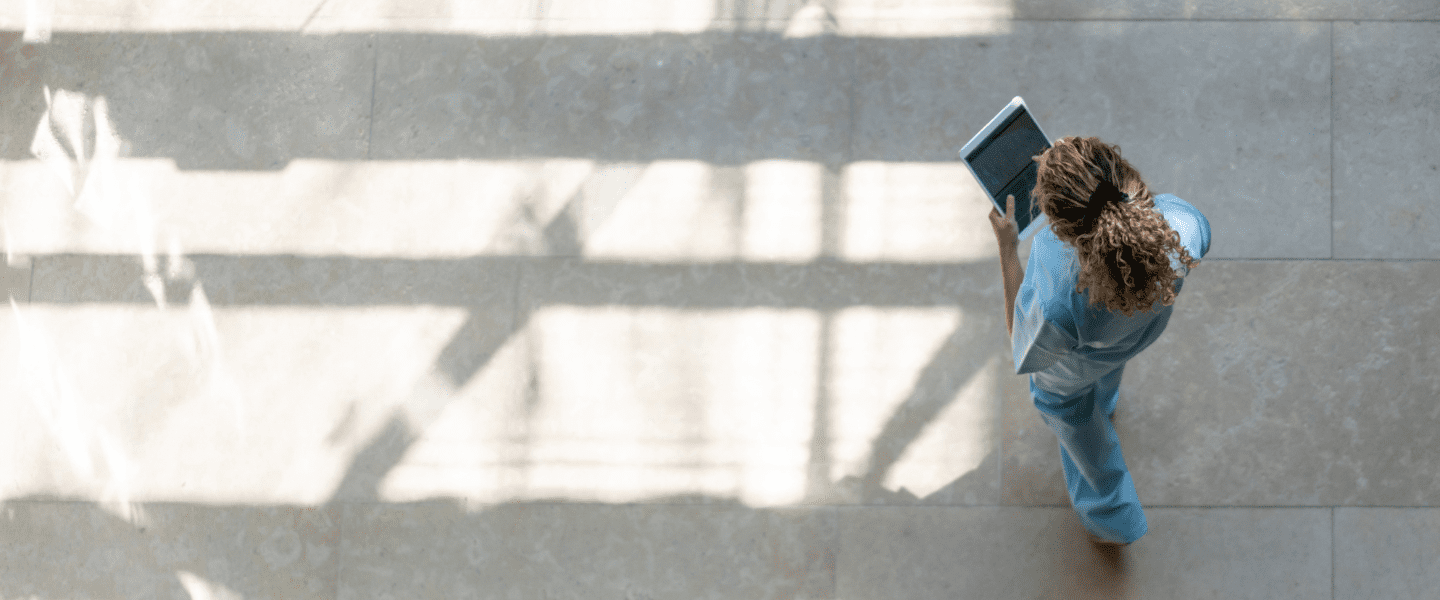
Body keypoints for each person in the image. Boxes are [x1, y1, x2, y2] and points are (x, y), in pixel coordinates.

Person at [987, 136, 1212, 547]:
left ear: (1060, 227)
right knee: (1107, 366)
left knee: (1076, 424)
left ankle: (1115, 519)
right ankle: (1106, 403)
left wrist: (1007, 249)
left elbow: (1025, 345)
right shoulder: (1183, 225)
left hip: (1074, 367)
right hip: (1137, 334)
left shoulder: (1057, 286)